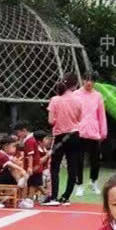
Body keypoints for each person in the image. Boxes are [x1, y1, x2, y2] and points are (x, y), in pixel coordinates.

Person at [46, 74, 84, 205]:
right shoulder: (78, 100)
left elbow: (51, 121)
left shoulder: (55, 100)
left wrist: (59, 119)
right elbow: (79, 118)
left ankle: (53, 197)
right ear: (75, 85)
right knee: (72, 167)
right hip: (74, 135)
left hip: (60, 136)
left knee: (55, 167)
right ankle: (66, 196)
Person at [73, 73, 107, 196]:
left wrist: (103, 131)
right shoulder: (75, 94)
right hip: (79, 132)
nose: (89, 83)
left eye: (92, 80)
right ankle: (79, 185)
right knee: (79, 160)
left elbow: (101, 115)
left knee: (95, 160)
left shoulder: (98, 96)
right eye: (87, 80)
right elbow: (72, 113)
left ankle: (94, 182)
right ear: (83, 80)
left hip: (94, 132)